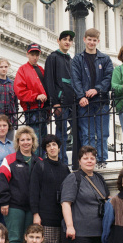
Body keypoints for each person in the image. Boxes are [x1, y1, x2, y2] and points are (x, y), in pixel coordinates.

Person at [60, 144, 109, 243]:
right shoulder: (74, 178)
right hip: (79, 234)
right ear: (79, 161)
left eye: (92, 158)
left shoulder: (99, 178)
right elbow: (66, 203)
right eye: (85, 158)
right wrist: (70, 226)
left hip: (97, 234)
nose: (89, 161)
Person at [71, 28, 113, 167]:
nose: (91, 42)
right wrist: (81, 96)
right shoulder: (77, 59)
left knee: (103, 133)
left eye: (94, 40)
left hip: (101, 101)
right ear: (84, 40)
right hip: (84, 103)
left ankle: (101, 160)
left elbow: (108, 78)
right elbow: (75, 79)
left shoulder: (105, 59)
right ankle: (88, 161)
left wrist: (97, 89)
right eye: (89, 39)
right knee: (87, 134)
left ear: (98, 41)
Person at [29, 134, 71, 243]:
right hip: (44, 216)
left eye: (54, 145)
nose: (52, 148)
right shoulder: (40, 166)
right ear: (45, 150)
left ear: (59, 147)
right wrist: (36, 214)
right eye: (48, 145)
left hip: (59, 217)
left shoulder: (65, 169)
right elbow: (33, 191)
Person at [0, 126, 40, 243]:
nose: (26, 142)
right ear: (18, 142)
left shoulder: (39, 161)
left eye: (28, 139)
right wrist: (4, 202)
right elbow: (1, 181)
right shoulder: (9, 160)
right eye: (22, 140)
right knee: (15, 240)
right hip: (14, 206)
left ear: (33, 141)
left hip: (32, 208)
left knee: (30, 242)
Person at [44, 30, 75, 160]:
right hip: (60, 102)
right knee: (61, 133)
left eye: (69, 40)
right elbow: (49, 81)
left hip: (72, 102)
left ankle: (75, 161)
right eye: (65, 39)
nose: (67, 42)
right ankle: (62, 161)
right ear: (59, 41)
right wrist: (55, 102)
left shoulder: (71, 60)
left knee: (76, 132)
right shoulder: (52, 58)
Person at [14, 42, 49, 149]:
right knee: (35, 139)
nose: (35, 57)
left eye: (37, 55)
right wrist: (35, 96)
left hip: (43, 109)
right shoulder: (22, 69)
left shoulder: (41, 70)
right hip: (32, 109)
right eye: (32, 54)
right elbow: (19, 90)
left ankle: (42, 162)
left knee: (43, 139)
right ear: (27, 55)